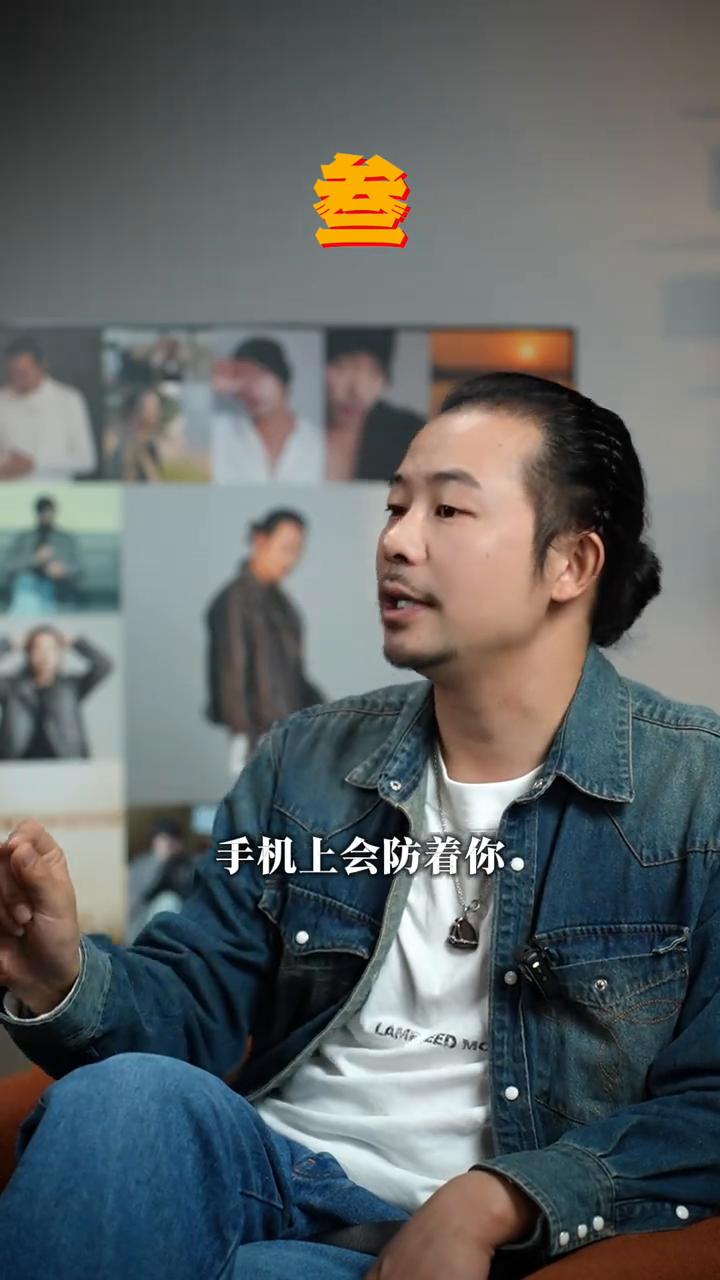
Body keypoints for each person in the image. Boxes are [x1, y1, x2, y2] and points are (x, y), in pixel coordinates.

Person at [2, 372, 720, 1280]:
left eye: (447, 510)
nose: (396, 541)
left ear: (571, 565)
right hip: (270, 1175)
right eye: (395, 506)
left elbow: (709, 1106)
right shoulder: (305, 758)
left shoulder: (696, 792)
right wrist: (61, 975)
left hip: (448, 1233)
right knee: (122, 1099)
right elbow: (199, 1005)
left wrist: (498, 1198)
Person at [205, 508, 324, 774]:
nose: (292, 559)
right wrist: (246, 739)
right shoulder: (235, 602)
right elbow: (232, 678)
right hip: (257, 737)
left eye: (298, 550)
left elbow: (294, 677)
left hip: (289, 734)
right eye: (286, 548)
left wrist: (332, 714)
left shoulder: (285, 607)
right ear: (260, 541)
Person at [212, 336, 325, 483]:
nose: (252, 387)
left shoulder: (318, 442)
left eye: (260, 374)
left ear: (282, 378)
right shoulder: (219, 431)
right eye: (242, 377)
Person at [325, 328, 426, 480]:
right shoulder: (298, 429)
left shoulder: (407, 435)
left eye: (373, 372)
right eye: (343, 366)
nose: (357, 391)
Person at [0, 627, 112, 759]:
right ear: (29, 654)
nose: (45, 655)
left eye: (51, 649)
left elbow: (104, 666)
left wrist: (77, 643)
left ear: (59, 654)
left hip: (66, 762)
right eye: (38, 649)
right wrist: (7, 645)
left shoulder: (71, 687)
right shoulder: (10, 687)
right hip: (17, 763)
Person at [0, 336, 97, 480]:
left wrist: (35, 464)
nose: (18, 378)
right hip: (8, 492)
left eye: (24, 372)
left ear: (41, 366)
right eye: (14, 373)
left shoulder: (68, 400)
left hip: (55, 492)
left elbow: (86, 461)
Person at [2, 495, 82, 614]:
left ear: (54, 512)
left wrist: (64, 570)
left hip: (58, 586)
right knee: (26, 584)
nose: (46, 516)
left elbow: (79, 566)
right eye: (42, 512)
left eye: (48, 512)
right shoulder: (24, 538)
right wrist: (35, 559)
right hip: (28, 586)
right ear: (37, 514)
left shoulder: (65, 540)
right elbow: (8, 564)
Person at [126, 818, 198, 944]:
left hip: (182, 927)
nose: (169, 844)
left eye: (174, 840)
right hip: (143, 926)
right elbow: (133, 903)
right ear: (155, 842)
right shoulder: (141, 866)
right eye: (164, 839)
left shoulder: (188, 866)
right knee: (168, 900)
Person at [103, 387, 166, 481]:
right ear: (135, 409)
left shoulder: (152, 444)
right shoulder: (116, 438)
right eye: (148, 407)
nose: (155, 412)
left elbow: (156, 482)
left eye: (156, 407)